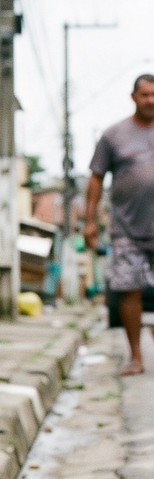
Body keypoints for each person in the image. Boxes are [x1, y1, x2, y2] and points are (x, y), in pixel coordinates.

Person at [84, 73, 154, 376]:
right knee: (129, 290)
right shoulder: (114, 135)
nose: (151, 100)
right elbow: (96, 177)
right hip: (126, 227)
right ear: (133, 97)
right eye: (145, 95)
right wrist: (89, 221)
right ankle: (136, 357)